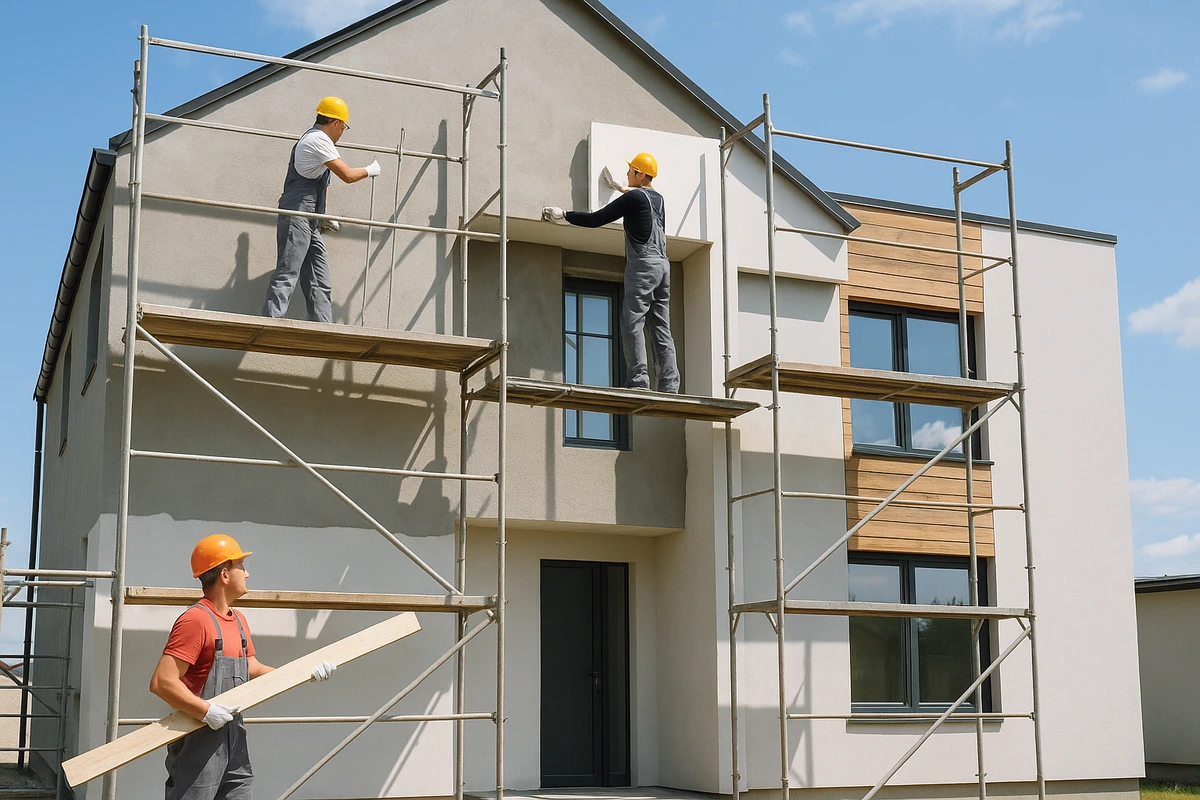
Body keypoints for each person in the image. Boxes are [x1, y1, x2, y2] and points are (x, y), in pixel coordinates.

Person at [150, 534, 336, 799]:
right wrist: (206, 711)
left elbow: (253, 668)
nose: (247, 574)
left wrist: (304, 673)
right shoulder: (195, 620)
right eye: (241, 566)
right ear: (224, 574)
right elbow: (162, 682)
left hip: (234, 737)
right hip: (197, 738)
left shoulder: (238, 621)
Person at [542, 152, 680, 393]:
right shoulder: (658, 199)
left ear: (641, 174)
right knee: (660, 326)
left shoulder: (635, 197)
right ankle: (669, 385)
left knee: (632, 320)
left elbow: (597, 219)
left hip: (644, 267)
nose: (627, 173)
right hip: (663, 267)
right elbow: (638, 202)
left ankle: (639, 381)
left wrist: (564, 215)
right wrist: (619, 188)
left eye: (630, 171)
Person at [261, 96, 381, 323]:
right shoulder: (319, 140)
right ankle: (271, 321)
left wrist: (321, 217)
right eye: (344, 127)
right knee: (288, 271)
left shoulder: (316, 141)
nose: (342, 133)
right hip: (298, 214)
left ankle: (323, 326)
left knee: (319, 277)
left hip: (310, 219)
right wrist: (370, 170)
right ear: (336, 122)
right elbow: (347, 175)